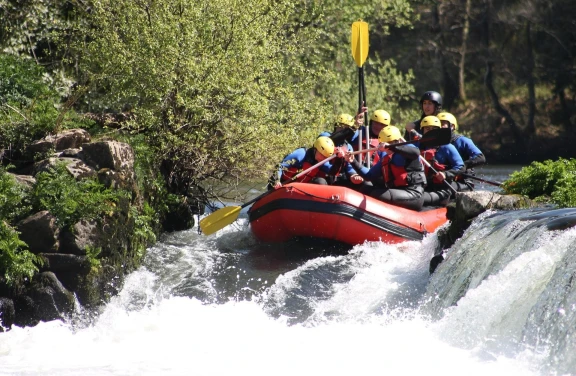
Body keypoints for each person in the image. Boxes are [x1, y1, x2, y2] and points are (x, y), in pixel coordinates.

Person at [344, 125, 426, 211]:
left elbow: (415, 153)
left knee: (376, 194)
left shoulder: (408, 148)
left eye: (391, 142)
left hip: (414, 194)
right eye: (386, 143)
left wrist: (392, 147)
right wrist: (353, 161)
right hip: (398, 192)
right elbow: (369, 175)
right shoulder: (386, 158)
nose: (388, 146)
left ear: (398, 141)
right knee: (365, 188)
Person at [269, 136, 361, 189]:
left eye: (326, 157)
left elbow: (333, 172)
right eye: (322, 155)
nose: (324, 158)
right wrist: (277, 181)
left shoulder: (321, 161)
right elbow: (280, 167)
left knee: (321, 182)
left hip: (299, 189)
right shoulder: (300, 154)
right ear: (315, 149)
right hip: (282, 185)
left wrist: (339, 159)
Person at [418, 116, 465, 206]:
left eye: (434, 129)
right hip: (423, 187)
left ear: (438, 131)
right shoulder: (417, 146)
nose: (431, 132)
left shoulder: (447, 147)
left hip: (442, 189)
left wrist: (445, 174)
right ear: (422, 131)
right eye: (427, 129)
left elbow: (461, 167)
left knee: (420, 199)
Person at [437, 112, 486, 191]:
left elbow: (481, 157)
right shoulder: (434, 143)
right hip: (444, 178)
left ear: (452, 126)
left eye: (442, 124)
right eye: (438, 124)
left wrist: (462, 167)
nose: (439, 126)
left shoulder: (462, 141)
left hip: (464, 181)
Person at [318, 114, 365, 188]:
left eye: (346, 128)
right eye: (341, 126)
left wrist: (353, 175)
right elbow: (332, 140)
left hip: (337, 177)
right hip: (322, 175)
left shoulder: (348, 147)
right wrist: (354, 127)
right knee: (321, 182)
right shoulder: (325, 136)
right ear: (336, 126)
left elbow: (349, 167)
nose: (343, 130)